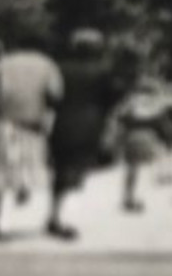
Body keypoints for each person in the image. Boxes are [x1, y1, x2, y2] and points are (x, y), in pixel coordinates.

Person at [0, 34, 63, 240]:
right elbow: (56, 94)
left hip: (3, 123)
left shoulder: (2, 63)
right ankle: (21, 191)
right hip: (31, 126)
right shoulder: (47, 65)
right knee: (27, 169)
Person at [47, 29, 121, 241]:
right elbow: (113, 97)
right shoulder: (104, 71)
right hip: (90, 125)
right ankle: (64, 219)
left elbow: (52, 96)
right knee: (77, 171)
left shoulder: (60, 68)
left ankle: (54, 214)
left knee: (60, 171)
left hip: (61, 123)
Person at [114, 71, 172, 214]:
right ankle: (138, 199)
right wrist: (169, 140)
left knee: (132, 169)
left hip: (131, 137)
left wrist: (119, 140)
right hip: (149, 137)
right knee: (146, 168)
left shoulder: (129, 103)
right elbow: (163, 126)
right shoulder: (156, 105)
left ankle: (129, 197)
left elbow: (120, 120)